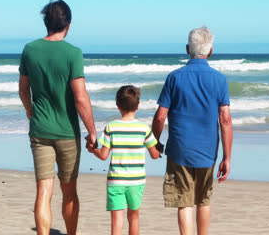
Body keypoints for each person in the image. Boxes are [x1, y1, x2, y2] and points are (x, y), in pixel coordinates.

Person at [18, 0, 98, 235]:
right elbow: (80, 97)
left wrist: (30, 111)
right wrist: (92, 131)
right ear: (68, 25)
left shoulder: (30, 49)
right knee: (69, 191)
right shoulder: (73, 53)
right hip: (66, 133)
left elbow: (23, 89)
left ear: (46, 23)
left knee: (43, 190)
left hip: (40, 130)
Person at [152, 26, 233, 235]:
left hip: (180, 149)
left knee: (184, 201)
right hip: (207, 150)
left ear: (188, 48)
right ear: (211, 51)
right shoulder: (219, 79)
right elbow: (225, 120)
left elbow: (161, 115)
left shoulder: (175, 77)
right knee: (203, 200)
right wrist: (227, 157)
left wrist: (155, 141)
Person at [89, 85, 160, 235]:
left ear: (117, 105)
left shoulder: (111, 127)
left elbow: (103, 155)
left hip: (116, 181)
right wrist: (158, 150)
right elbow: (154, 154)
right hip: (136, 181)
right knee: (134, 217)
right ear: (138, 105)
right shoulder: (144, 128)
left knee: (117, 219)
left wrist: (92, 149)